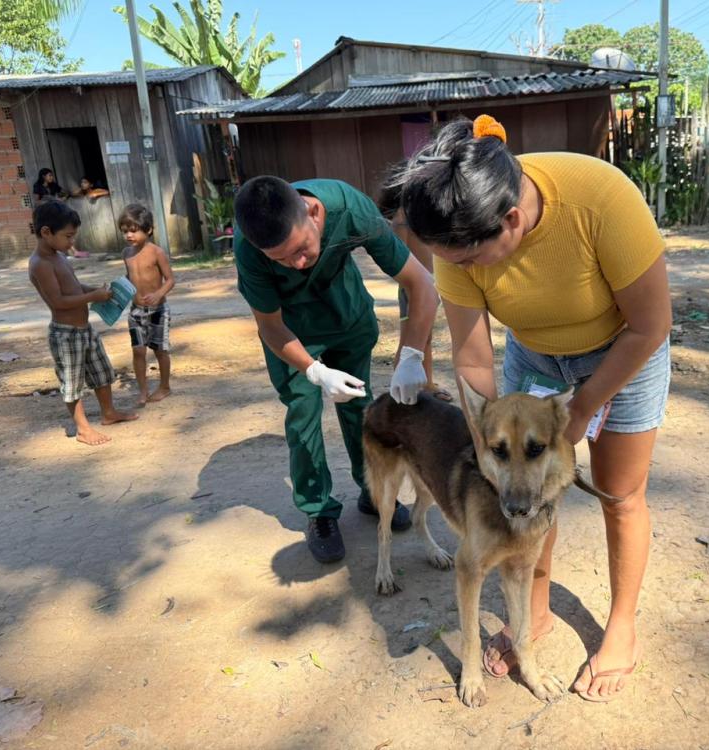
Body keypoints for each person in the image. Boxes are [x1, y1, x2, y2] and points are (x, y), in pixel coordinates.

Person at [394, 115, 672, 702]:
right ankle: (532, 617)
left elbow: (651, 323)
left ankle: (620, 629)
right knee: (526, 501)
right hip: (537, 354)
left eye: (469, 262)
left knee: (620, 494)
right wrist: (485, 450)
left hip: (626, 346)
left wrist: (584, 407)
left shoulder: (601, 200)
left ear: (512, 220)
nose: (461, 271)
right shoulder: (458, 239)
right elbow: (473, 364)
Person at [233, 175, 438, 563]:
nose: (297, 264)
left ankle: (373, 492)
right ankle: (319, 511)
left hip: (346, 317)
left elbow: (421, 284)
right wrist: (314, 371)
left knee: (357, 407)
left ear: (312, 213)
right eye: (282, 260)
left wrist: (411, 356)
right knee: (303, 415)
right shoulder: (249, 246)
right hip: (293, 334)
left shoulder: (350, 208)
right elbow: (270, 326)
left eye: (302, 249)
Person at [28, 201, 138, 445]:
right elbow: (58, 302)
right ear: (46, 232)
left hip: (84, 330)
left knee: (101, 372)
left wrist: (97, 291)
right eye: (68, 236)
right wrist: (92, 297)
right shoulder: (40, 264)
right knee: (72, 381)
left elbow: (75, 289)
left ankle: (108, 413)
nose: (71, 242)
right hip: (65, 334)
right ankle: (83, 428)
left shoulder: (59, 257)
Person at [377, 166, 451, 402]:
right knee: (412, 339)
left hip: (429, 284)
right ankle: (404, 392)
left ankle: (426, 384)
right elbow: (397, 257)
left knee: (423, 337)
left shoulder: (418, 214)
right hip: (414, 287)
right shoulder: (402, 219)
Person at [120, 204, 175, 405]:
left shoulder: (156, 252)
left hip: (158, 310)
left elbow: (170, 280)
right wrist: (119, 290)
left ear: (149, 229)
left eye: (133, 230)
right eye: (125, 231)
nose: (129, 235)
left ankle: (165, 386)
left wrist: (158, 293)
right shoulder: (126, 254)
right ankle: (142, 391)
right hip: (135, 311)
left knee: (160, 350)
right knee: (138, 350)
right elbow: (129, 278)